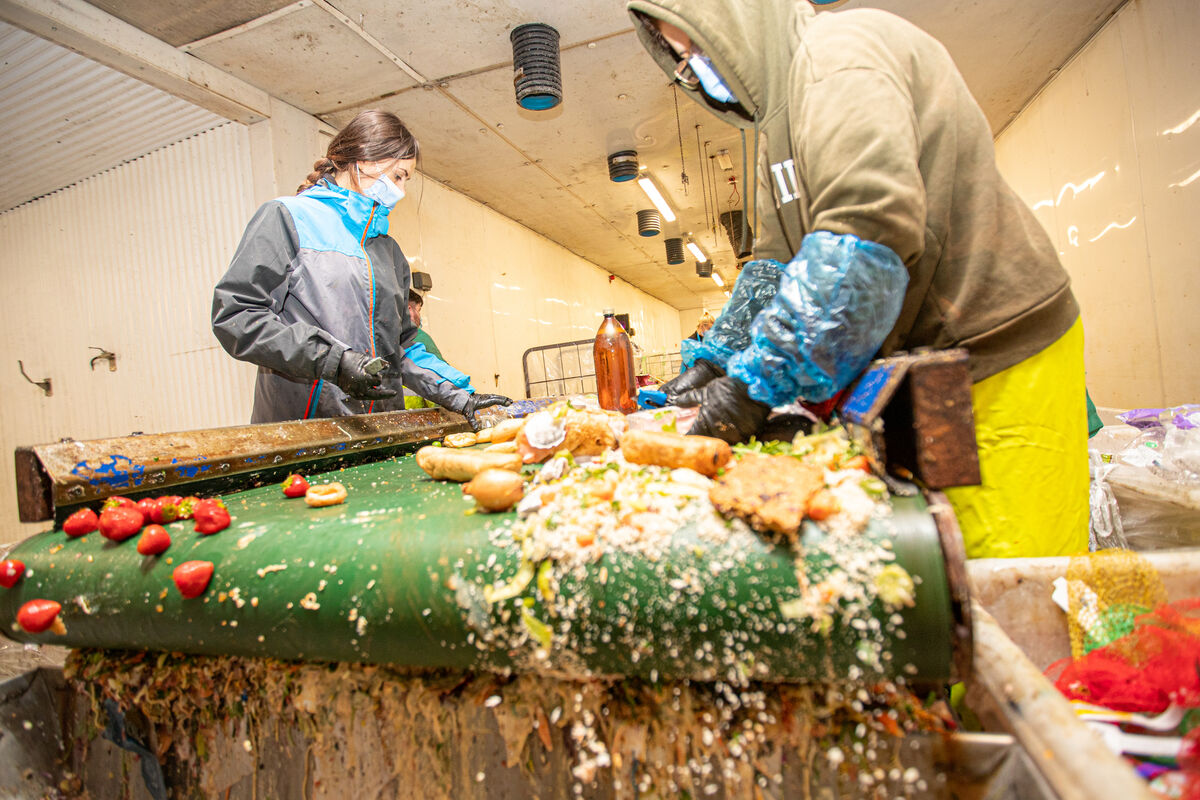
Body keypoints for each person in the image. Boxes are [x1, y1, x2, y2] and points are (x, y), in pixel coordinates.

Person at [628, 0, 1088, 559]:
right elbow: (774, 266)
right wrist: (716, 361)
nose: (692, 68)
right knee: (944, 562)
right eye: (680, 59)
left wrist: (748, 390)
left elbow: (865, 233)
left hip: (993, 349)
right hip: (924, 370)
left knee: (1007, 575)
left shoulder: (835, 57)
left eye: (696, 47)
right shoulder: (778, 127)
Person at [212, 110, 510, 428]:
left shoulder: (388, 251)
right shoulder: (287, 218)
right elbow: (237, 315)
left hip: (380, 427)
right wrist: (333, 361)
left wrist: (459, 396)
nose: (402, 191)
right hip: (305, 429)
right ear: (365, 162)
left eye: (406, 179)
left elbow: (403, 345)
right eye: (398, 176)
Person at [403, 290, 504, 411]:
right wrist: (465, 398)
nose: (419, 318)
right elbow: (436, 372)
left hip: (390, 417)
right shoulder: (417, 337)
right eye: (418, 311)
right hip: (419, 415)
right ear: (409, 309)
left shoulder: (388, 339)